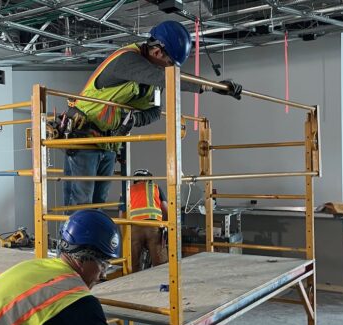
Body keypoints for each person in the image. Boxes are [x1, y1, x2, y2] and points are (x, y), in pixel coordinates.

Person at [60, 20, 242, 207]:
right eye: (170, 63)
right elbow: (165, 78)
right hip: (84, 136)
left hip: (108, 143)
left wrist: (135, 119)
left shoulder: (154, 81)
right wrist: (211, 86)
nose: (171, 69)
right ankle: (71, 237)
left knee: (97, 204)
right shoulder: (127, 60)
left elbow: (155, 112)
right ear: (156, 52)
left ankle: (91, 237)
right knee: (81, 204)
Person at [128, 169, 168, 271]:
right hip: (153, 226)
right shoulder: (155, 187)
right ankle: (161, 284)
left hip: (134, 228)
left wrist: (126, 235)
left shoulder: (127, 189)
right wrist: (166, 226)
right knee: (160, 263)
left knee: (133, 262)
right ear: (148, 179)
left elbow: (121, 214)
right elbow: (166, 209)